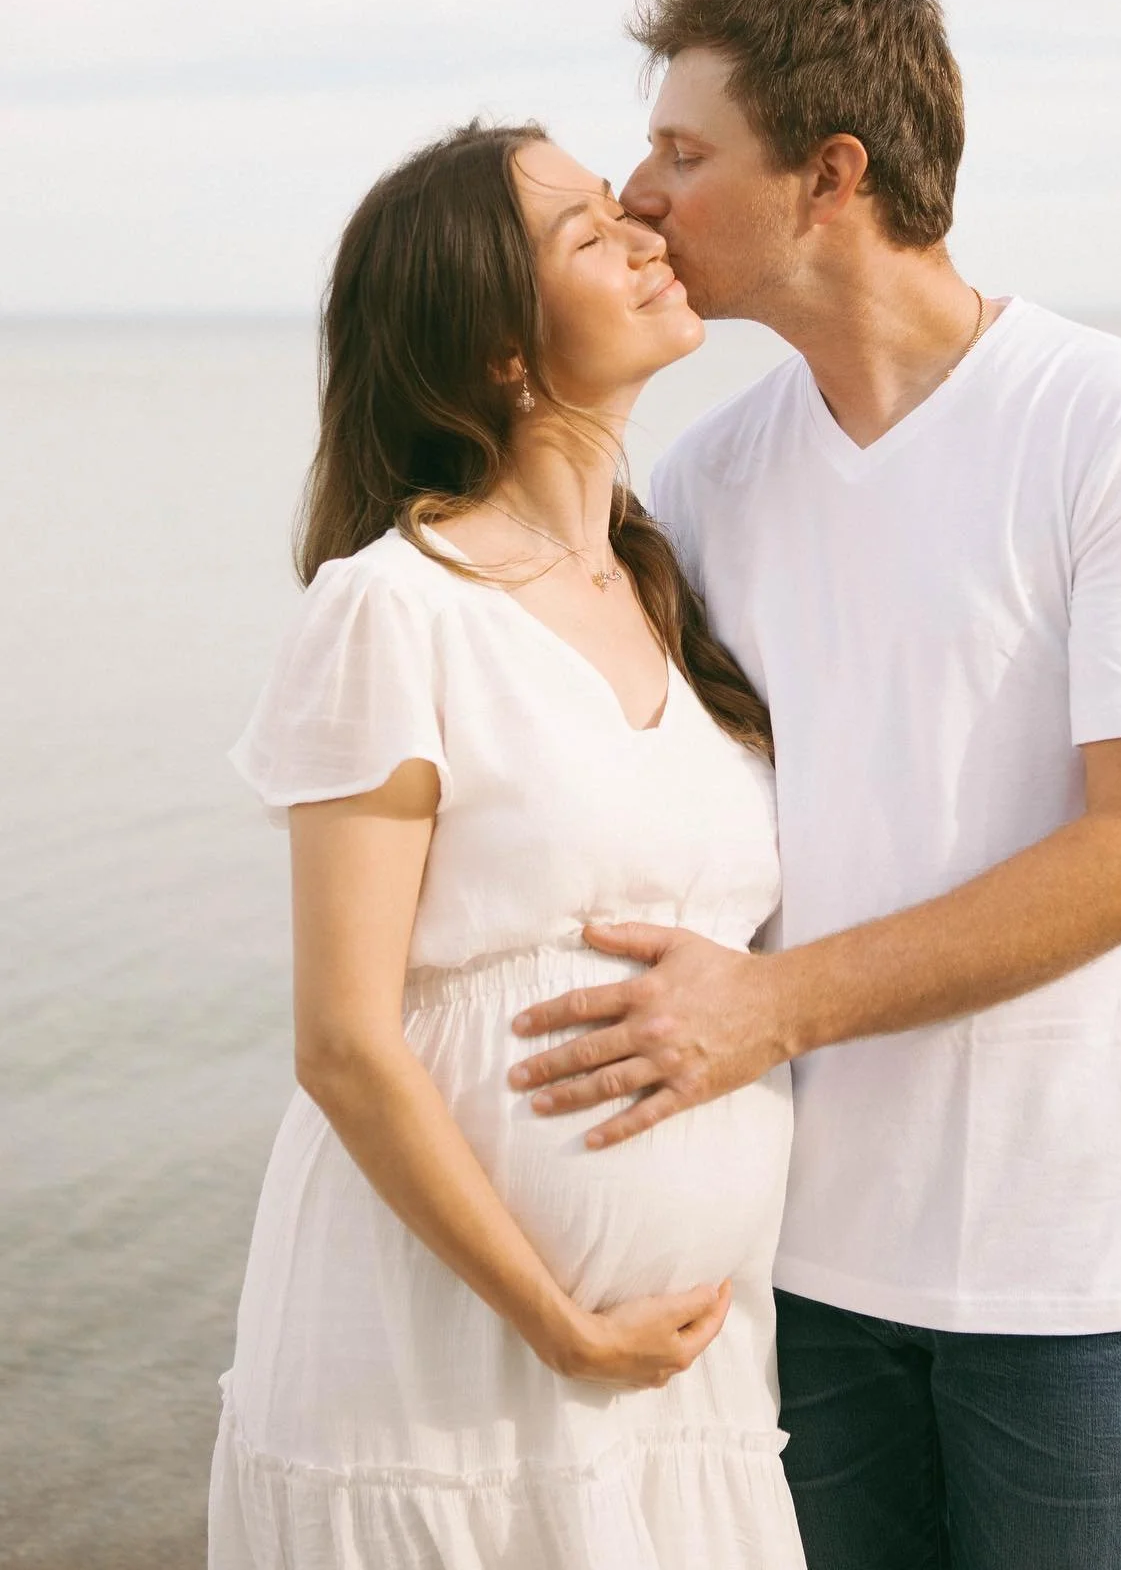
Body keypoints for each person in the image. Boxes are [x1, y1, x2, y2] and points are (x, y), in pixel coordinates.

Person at [508, 0, 1121, 1569]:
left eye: (684, 152)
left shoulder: (1113, 422)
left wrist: (770, 1006)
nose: (640, 194)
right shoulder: (711, 482)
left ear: (830, 175)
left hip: (1063, 1273)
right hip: (786, 1257)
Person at [208, 122, 807, 1569]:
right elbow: (345, 1043)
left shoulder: (678, 588)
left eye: (624, 211)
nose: (649, 236)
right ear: (498, 350)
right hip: (453, 1365)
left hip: (685, 1380)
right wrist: (559, 1320)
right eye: (591, 236)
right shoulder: (393, 609)